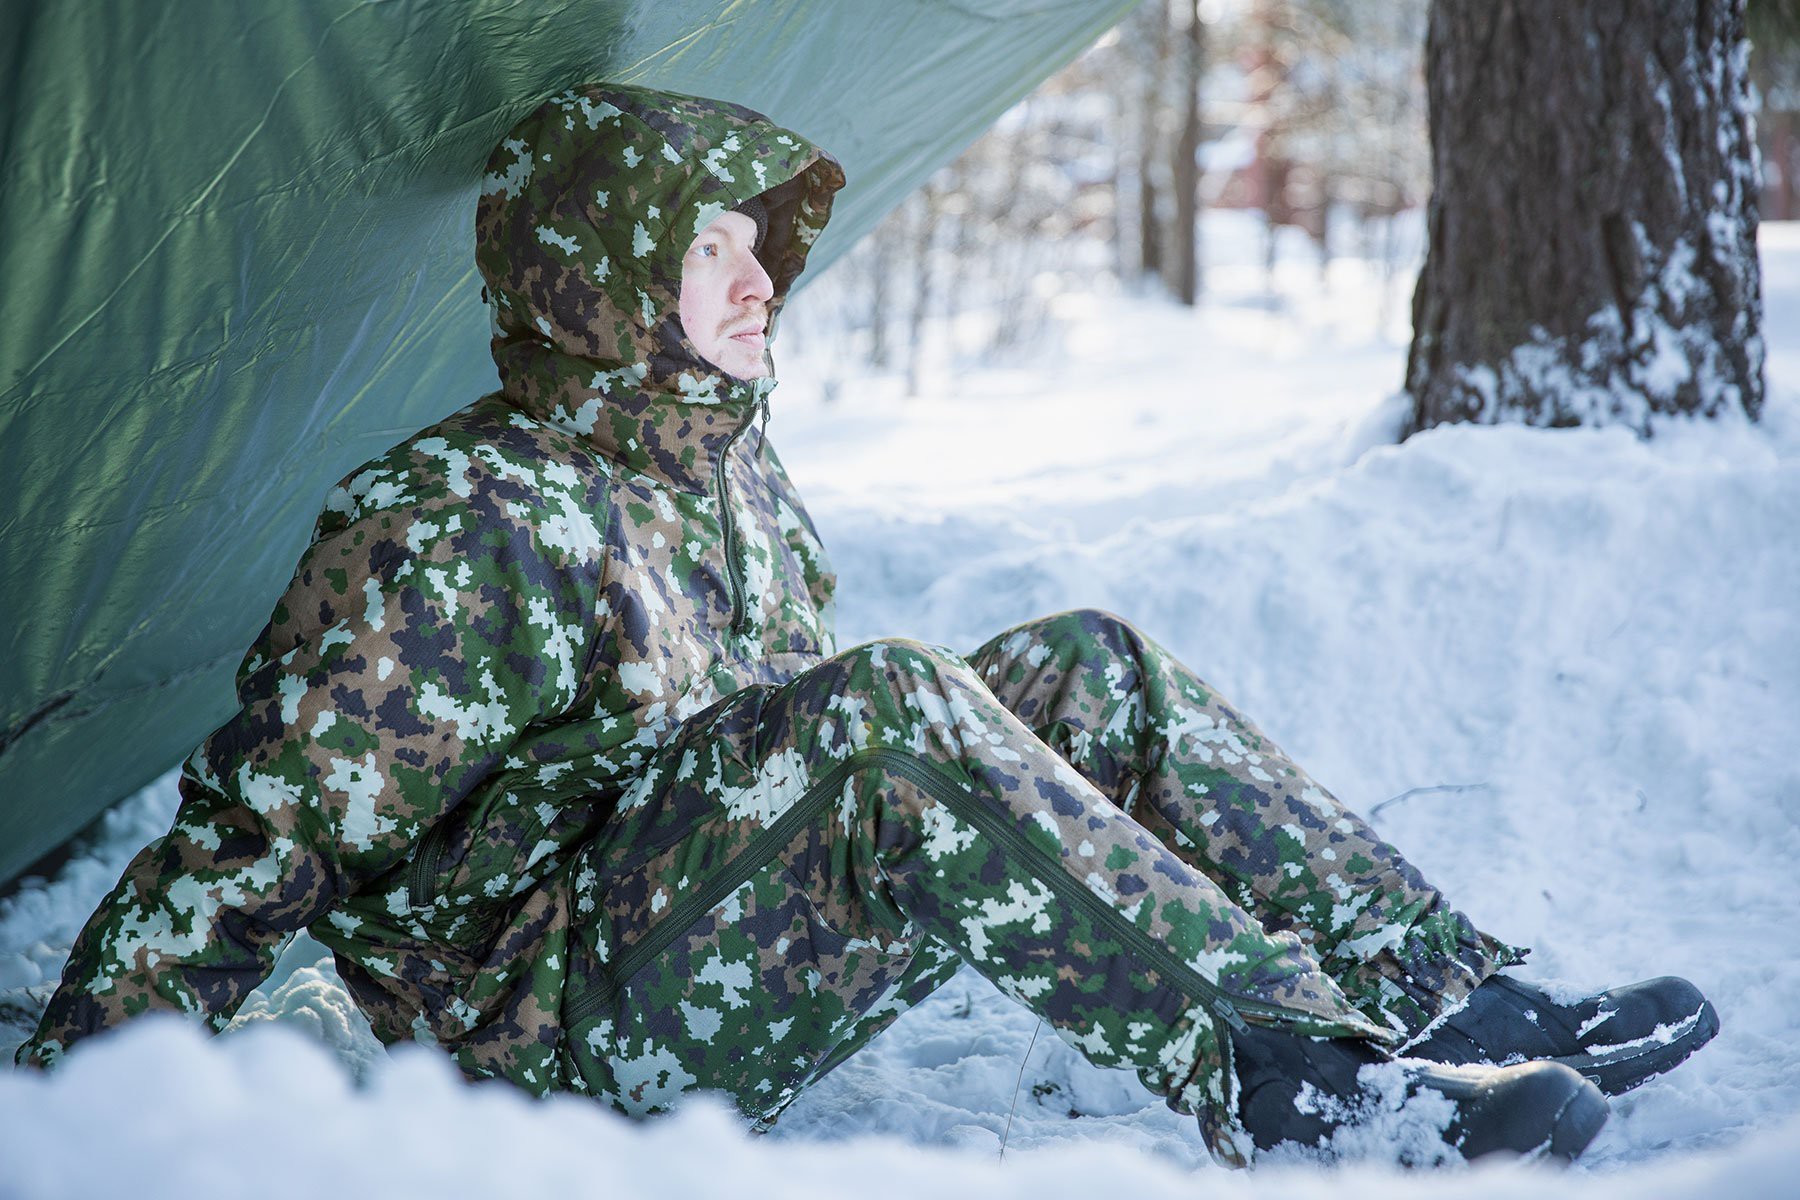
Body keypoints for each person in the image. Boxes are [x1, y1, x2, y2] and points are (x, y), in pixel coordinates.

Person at [15, 84, 1718, 1167]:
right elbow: (262, 839)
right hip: (523, 1054)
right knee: (887, 707)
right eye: (707, 248)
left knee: (1085, 669)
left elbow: (757, 750)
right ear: (600, 283)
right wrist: (82, 1100)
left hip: (675, 936)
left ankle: (1455, 1005)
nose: (759, 279)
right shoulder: (461, 523)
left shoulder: (729, 479)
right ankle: (1323, 1099)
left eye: (759, 244)